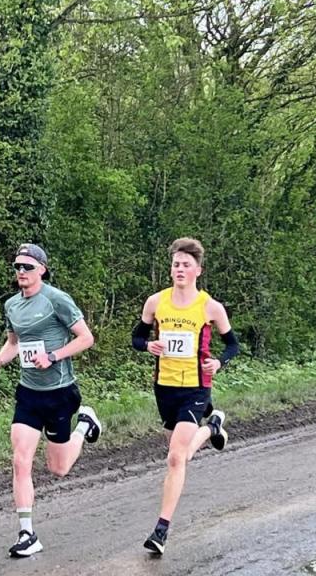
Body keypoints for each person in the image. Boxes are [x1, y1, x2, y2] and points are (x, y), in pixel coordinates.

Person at [0, 243, 103, 558]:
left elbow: (86, 338)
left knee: (59, 468)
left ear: (42, 270)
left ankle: (85, 424)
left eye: (28, 267)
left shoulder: (56, 300)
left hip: (59, 393)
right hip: (28, 393)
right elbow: (14, 343)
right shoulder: (11, 305)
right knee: (20, 460)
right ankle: (27, 533)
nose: (21, 272)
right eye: (17, 267)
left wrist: (53, 356)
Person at [131, 237, 239, 556]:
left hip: (196, 386)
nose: (179, 269)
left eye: (185, 265)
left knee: (176, 458)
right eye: (176, 264)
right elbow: (137, 337)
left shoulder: (210, 306)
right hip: (164, 388)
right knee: (181, 454)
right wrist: (147, 346)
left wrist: (219, 361)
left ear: (198, 271)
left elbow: (232, 344)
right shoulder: (155, 302)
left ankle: (161, 531)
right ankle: (212, 428)